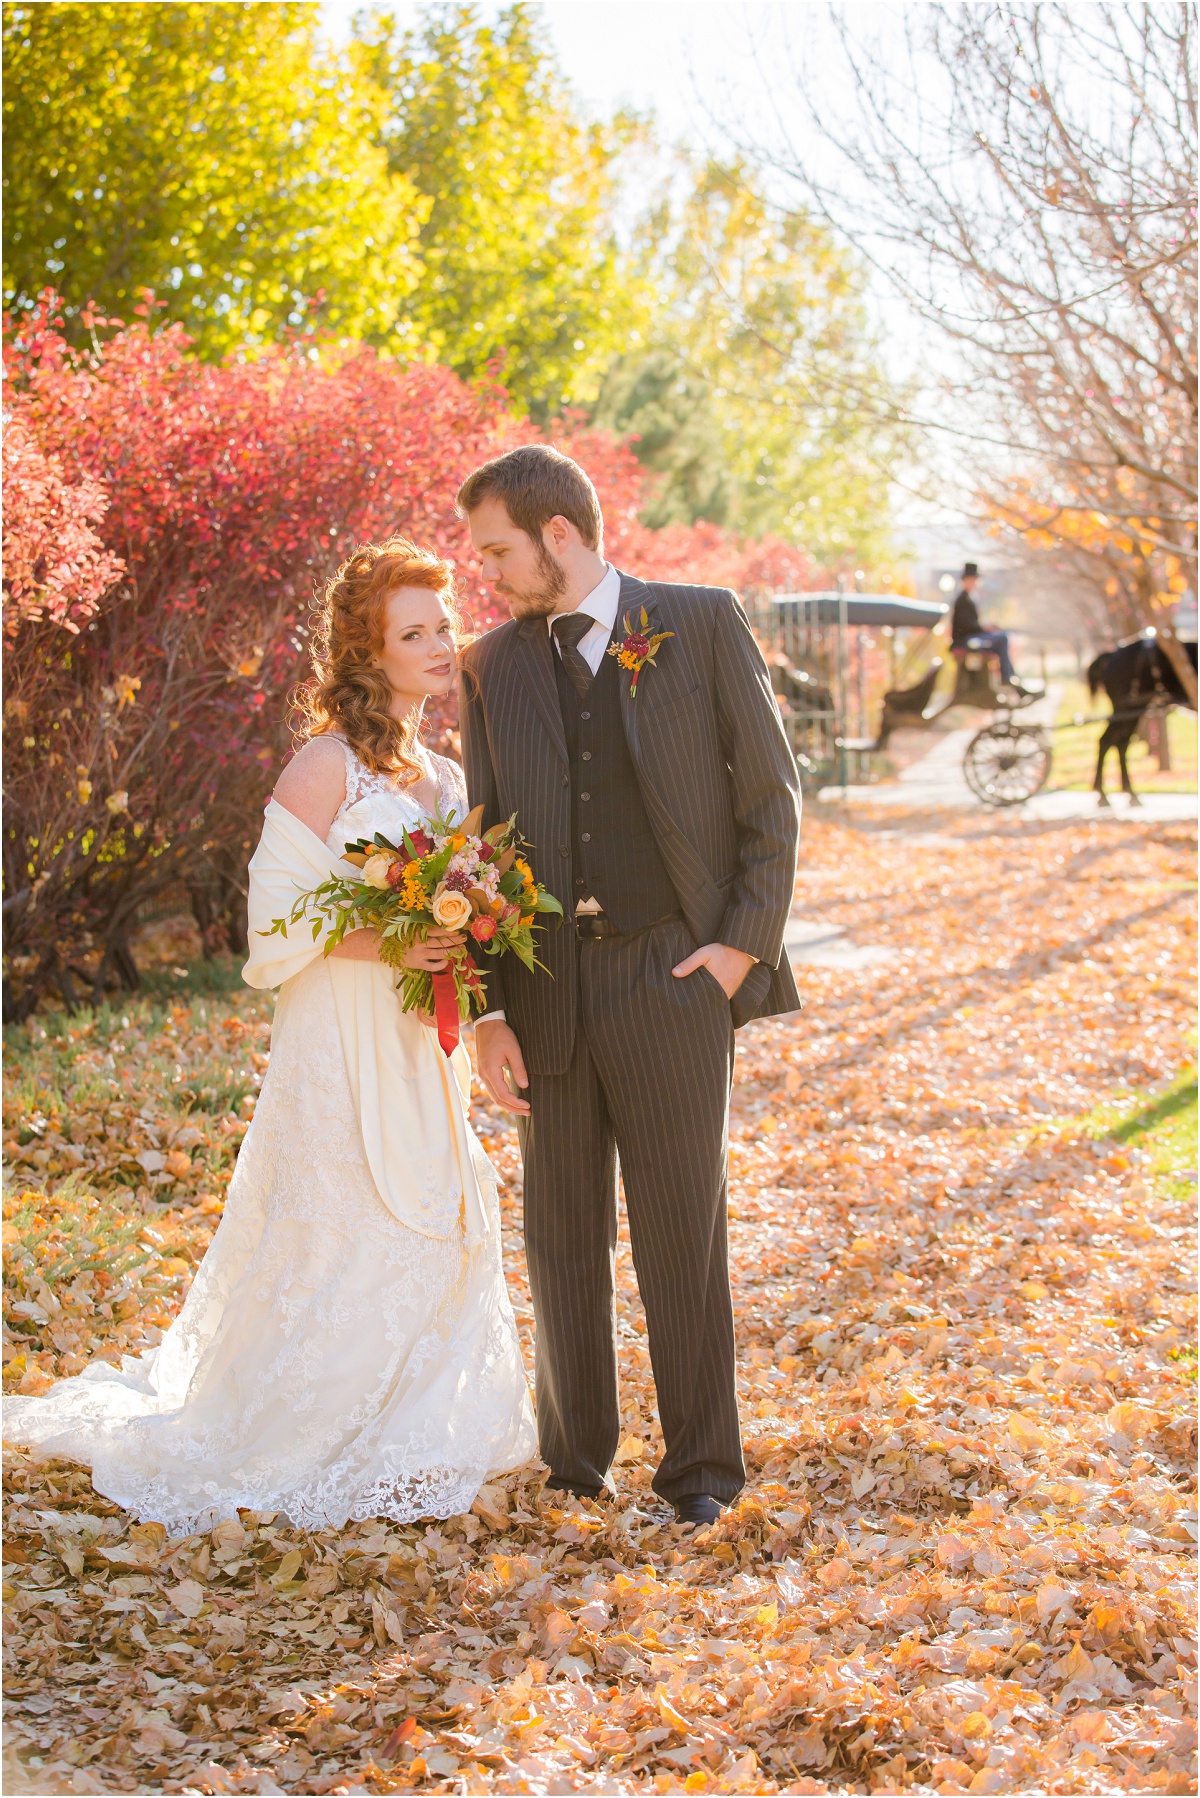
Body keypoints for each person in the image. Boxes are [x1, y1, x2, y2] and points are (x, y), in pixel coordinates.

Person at [4, 539, 535, 1534]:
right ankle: (304, 1426)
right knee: (341, 1219)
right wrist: (394, 935)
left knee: (431, 1210)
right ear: (367, 652)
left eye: (441, 626)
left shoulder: (453, 777)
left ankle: (412, 1431)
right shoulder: (322, 765)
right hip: (338, 1036)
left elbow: (471, 919)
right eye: (411, 632)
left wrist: (467, 936)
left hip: (421, 1045)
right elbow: (269, 929)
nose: (436, 643)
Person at [457, 444, 801, 1528]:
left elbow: (772, 802)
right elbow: (476, 848)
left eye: (499, 550)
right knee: (560, 1233)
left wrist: (739, 949)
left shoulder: (696, 625)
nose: (489, 574)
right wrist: (489, 1007)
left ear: (560, 534)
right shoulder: (490, 666)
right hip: (545, 988)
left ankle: (701, 1469)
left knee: (678, 1231)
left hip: (672, 976)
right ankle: (575, 1463)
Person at [950, 561, 1017, 685]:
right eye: (970, 580)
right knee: (1002, 638)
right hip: (966, 640)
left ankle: (1009, 678)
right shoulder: (962, 599)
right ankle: (1006, 678)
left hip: (971, 636)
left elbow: (971, 624)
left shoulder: (970, 598)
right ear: (964, 581)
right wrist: (985, 627)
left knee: (1001, 639)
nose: (973, 583)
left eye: (974, 580)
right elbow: (966, 626)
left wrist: (987, 626)